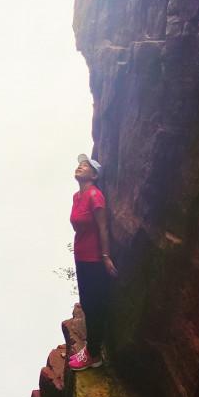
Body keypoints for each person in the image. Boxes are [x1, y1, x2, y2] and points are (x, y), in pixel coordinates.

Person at [68, 153, 118, 371]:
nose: (80, 166)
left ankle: (94, 355)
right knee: (87, 304)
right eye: (79, 164)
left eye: (86, 165)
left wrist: (106, 257)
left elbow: (103, 227)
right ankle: (91, 349)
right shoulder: (77, 196)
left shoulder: (95, 196)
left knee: (95, 306)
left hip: (94, 259)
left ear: (95, 175)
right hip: (80, 257)